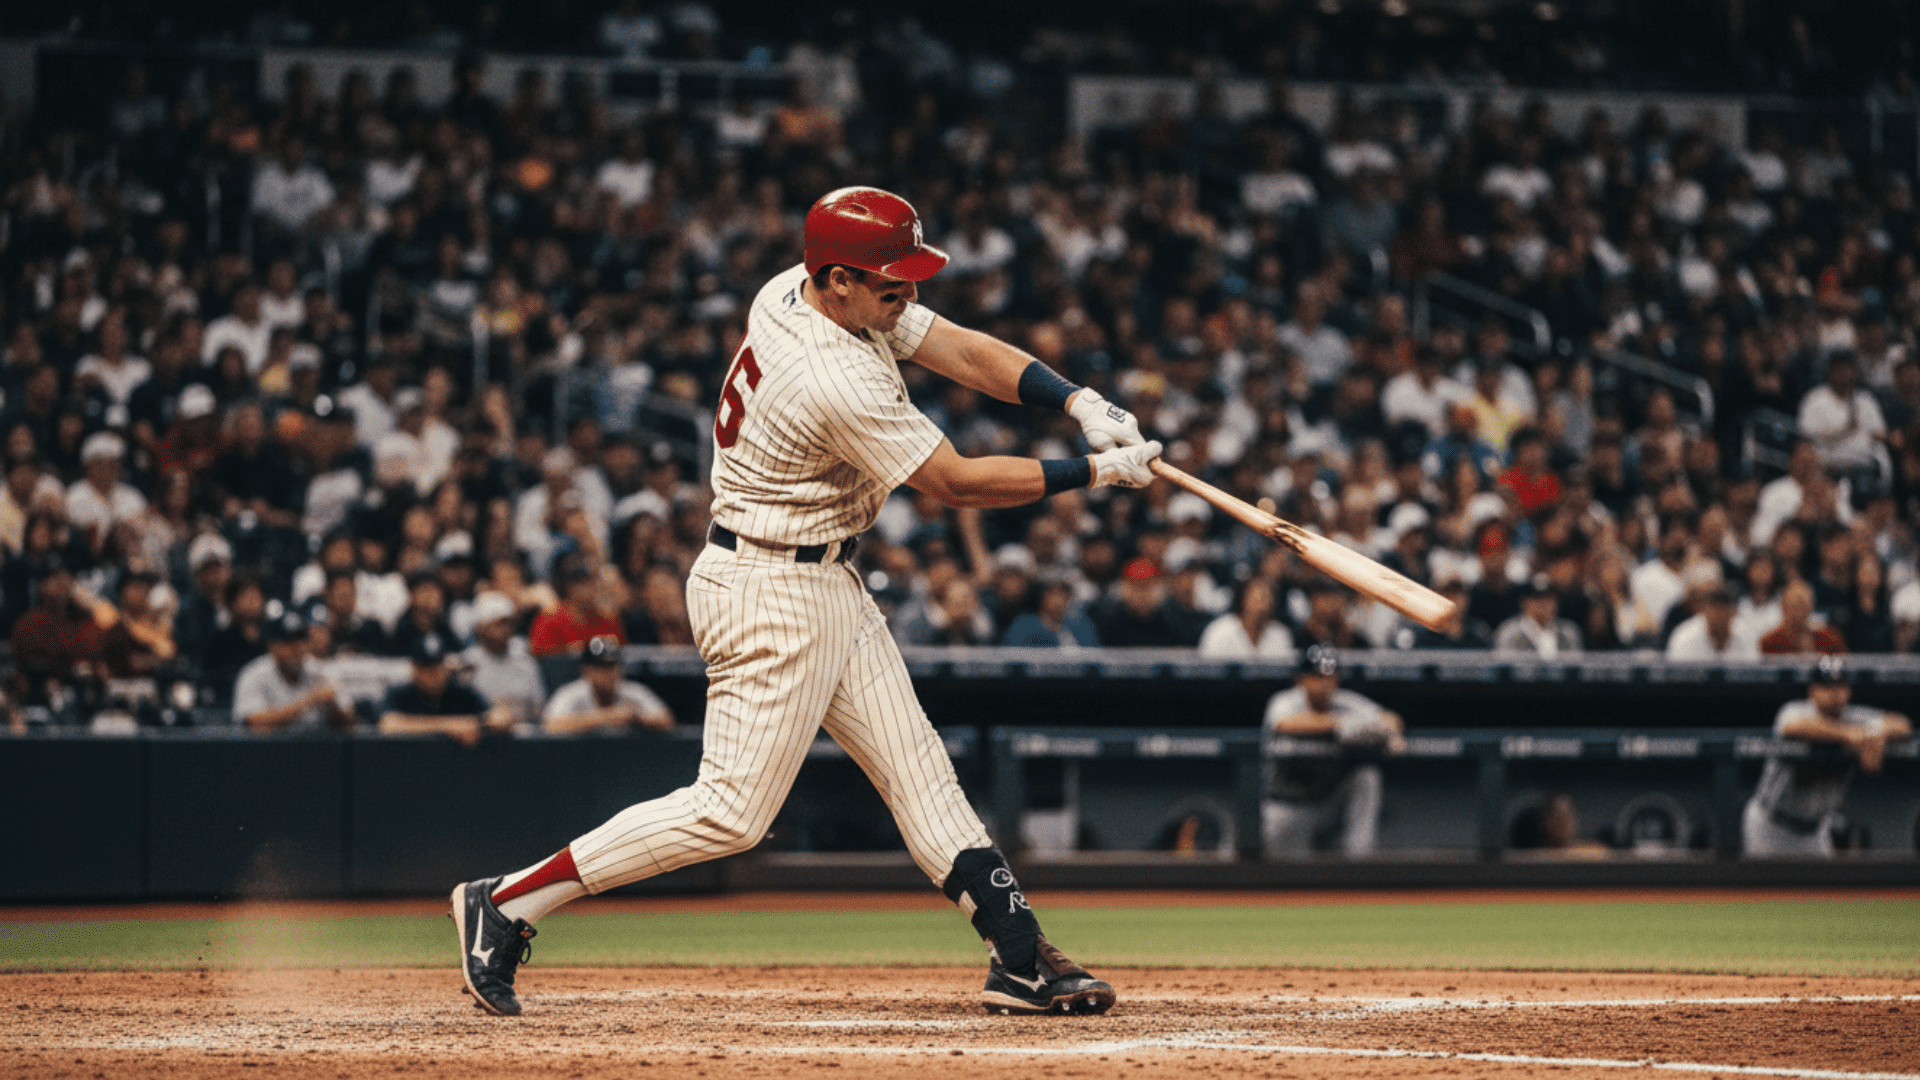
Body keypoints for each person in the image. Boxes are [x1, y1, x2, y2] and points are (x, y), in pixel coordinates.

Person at [450, 187, 1158, 1019]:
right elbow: (954, 482)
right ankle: (505, 904)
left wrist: (1076, 401)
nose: (908, 299)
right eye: (891, 286)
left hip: (822, 574)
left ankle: (1019, 958)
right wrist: (1094, 472)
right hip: (769, 588)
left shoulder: (803, 286)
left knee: (920, 771)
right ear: (839, 281)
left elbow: (957, 349)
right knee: (730, 815)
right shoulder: (832, 372)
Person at [1743, 655, 1912, 856]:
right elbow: (1792, 726)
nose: (1834, 694)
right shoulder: (1795, 711)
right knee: (1766, 888)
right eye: (1826, 687)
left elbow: (1901, 724)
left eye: (1840, 686)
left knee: (1825, 888)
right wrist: (1850, 735)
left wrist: (1875, 735)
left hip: (1816, 831)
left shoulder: (1854, 717)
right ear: (1812, 691)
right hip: (1772, 825)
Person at [1260, 647, 1404, 858]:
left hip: (1328, 803)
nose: (1324, 684)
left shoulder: (1344, 701)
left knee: (1367, 777)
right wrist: (1342, 725)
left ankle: (1359, 859)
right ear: (1301, 680)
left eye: (1329, 677)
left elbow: (1392, 719)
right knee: (1284, 878)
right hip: (1287, 806)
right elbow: (1286, 724)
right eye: (1316, 677)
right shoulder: (1284, 702)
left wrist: (1385, 731)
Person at [378, 632, 509, 746]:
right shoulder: (400, 693)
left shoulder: (461, 692)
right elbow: (388, 725)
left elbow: (500, 717)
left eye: (437, 667)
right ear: (414, 669)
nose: (433, 675)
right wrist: (450, 726)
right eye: (426, 669)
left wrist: (478, 725)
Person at [234, 611, 351, 733]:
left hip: (314, 749)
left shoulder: (321, 672)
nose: (297, 648)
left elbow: (350, 725)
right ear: (272, 647)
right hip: (267, 750)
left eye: (301, 640)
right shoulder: (253, 674)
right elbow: (253, 723)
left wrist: (333, 708)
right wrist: (309, 700)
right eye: (289, 642)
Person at [540, 634, 675, 735]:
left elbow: (667, 721)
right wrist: (607, 717)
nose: (608, 673)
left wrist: (637, 718)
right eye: (601, 666)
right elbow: (550, 726)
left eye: (611, 666)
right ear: (586, 670)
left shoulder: (633, 692)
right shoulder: (571, 693)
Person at [461, 590, 545, 724]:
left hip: (524, 733)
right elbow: (463, 712)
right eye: (498, 624)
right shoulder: (467, 662)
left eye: (508, 623)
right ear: (481, 628)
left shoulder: (524, 658)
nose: (505, 629)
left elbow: (538, 708)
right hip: (484, 736)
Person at [1197, 577, 1296, 658]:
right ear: (1243, 600)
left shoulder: (1281, 635)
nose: (1263, 606)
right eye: (1259, 600)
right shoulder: (1219, 632)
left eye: (1268, 599)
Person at [1493, 577, 1584, 657]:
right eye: (1536, 599)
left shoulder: (1568, 632)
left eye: (1548, 599)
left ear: (1556, 603)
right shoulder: (1509, 632)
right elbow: (1505, 667)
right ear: (1524, 603)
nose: (1542, 604)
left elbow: (1576, 667)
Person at [1665, 586, 1761, 660]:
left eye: (1723, 609)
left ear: (1732, 613)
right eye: (1714, 608)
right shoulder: (1685, 636)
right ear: (1704, 611)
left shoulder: (1747, 633)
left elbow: (1757, 678)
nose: (1719, 615)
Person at [1759, 579, 1847, 655]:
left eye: (1802, 605)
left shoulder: (1830, 639)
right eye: (1793, 606)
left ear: (1811, 607)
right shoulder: (1771, 642)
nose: (1798, 613)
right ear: (1783, 608)